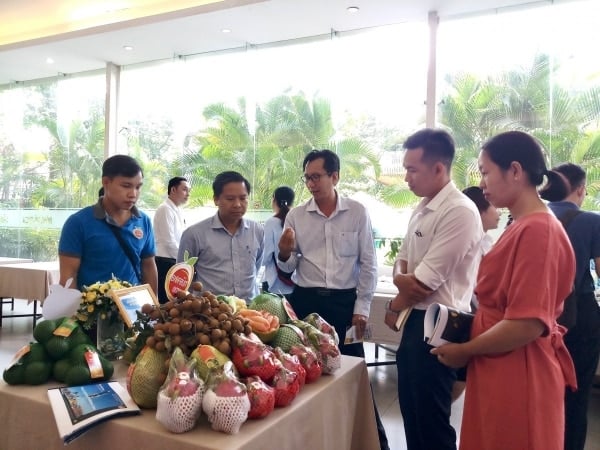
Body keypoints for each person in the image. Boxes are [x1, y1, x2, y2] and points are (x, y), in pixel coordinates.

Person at [431, 130, 577, 450]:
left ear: (515, 171)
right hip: (499, 362)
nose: (481, 183)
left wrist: (465, 351)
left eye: (485, 172)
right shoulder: (522, 224)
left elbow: (527, 323)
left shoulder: (539, 230)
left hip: (519, 368)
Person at [277, 149, 389, 450]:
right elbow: (288, 267)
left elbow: (369, 263)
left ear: (335, 176)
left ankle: (370, 441)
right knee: (305, 374)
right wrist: (284, 253)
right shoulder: (297, 215)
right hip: (307, 302)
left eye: (317, 176)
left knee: (353, 375)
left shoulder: (357, 212)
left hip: (344, 304)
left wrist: (361, 308)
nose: (311, 183)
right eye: (307, 178)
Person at [383, 128, 483, 450]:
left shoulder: (459, 211)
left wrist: (397, 302)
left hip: (441, 326)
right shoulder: (424, 207)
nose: (407, 178)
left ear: (439, 168)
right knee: (413, 413)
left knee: (432, 422)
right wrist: (402, 282)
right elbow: (402, 261)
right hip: (417, 322)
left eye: (412, 170)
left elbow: (423, 284)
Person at [547, 163, 600, 450]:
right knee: (576, 393)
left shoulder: (527, 217)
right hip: (579, 316)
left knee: (541, 389)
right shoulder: (591, 221)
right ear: (581, 189)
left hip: (540, 315)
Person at [59, 154, 158, 294]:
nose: (133, 194)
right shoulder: (78, 223)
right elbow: (68, 277)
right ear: (106, 182)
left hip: (133, 311)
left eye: (138, 187)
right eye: (126, 186)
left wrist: (153, 308)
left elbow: (148, 266)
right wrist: (74, 313)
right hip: (92, 312)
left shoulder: (144, 221)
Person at [177, 171, 264, 300]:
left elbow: (256, 267)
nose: (237, 204)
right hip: (212, 315)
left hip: (250, 313)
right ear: (216, 199)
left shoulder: (257, 231)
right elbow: (183, 278)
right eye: (230, 199)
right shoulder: (194, 234)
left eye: (243, 198)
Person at [153, 176, 191, 303]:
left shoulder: (178, 210)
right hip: (165, 261)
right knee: (167, 302)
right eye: (184, 190)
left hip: (175, 261)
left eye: (189, 190)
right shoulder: (165, 209)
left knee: (176, 301)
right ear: (173, 190)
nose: (188, 194)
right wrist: (184, 262)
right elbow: (168, 241)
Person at [261, 186, 295, 295]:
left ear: (274, 199)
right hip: (295, 284)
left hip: (274, 283)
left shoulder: (271, 223)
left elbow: (265, 257)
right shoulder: (297, 220)